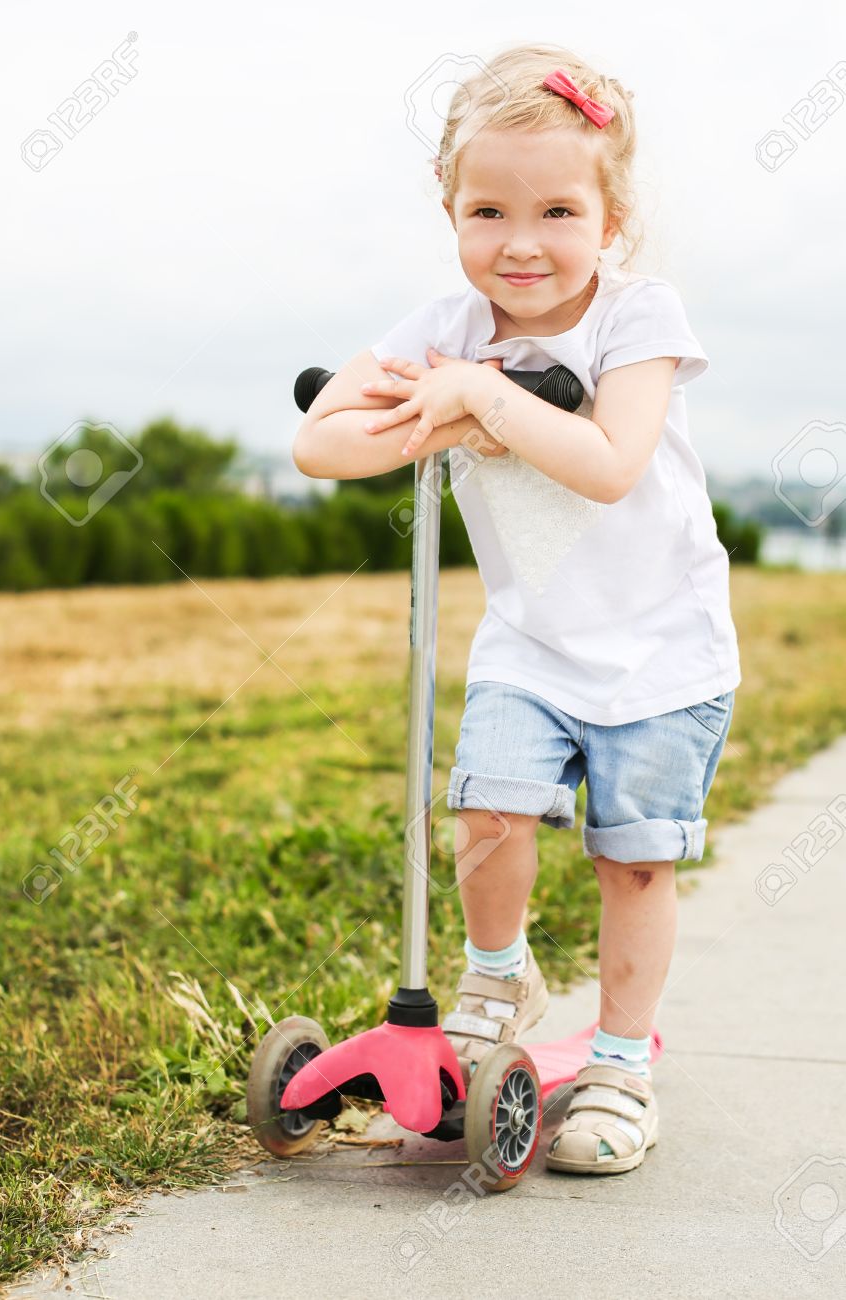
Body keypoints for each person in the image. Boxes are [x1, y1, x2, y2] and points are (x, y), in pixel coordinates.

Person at [292, 43, 740, 1175]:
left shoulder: (637, 318)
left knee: (632, 861)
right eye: (486, 209)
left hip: (660, 652)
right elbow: (320, 440)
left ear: (610, 214)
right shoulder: (446, 322)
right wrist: (436, 412)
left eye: (555, 209)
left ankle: (621, 1064)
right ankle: (498, 978)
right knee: (486, 818)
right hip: (530, 642)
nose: (520, 242)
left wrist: (479, 394)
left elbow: (607, 460)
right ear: (449, 208)